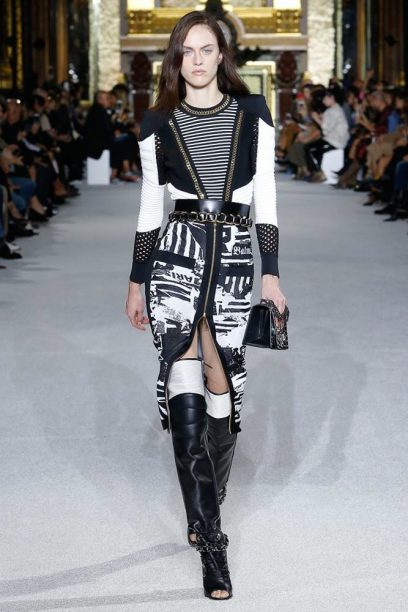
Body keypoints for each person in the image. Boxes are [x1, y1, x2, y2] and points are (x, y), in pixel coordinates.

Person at [125, 10, 286, 601]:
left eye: (206, 49)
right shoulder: (157, 122)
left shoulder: (253, 115)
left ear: (222, 55)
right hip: (176, 257)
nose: (196, 60)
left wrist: (271, 275)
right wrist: (137, 280)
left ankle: (206, 501)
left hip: (236, 259)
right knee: (183, 376)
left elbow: (265, 198)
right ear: (176, 59)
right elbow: (152, 207)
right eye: (186, 51)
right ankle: (212, 540)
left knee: (225, 383)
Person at [304, 87, 349, 182]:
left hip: (335, 140)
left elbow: (327, 129)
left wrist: (317, 119)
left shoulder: (336, 111)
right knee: (314, 150)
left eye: (325, 99)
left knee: (309, 149)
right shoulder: (332, 110)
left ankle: (318, 172)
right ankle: (317, 172)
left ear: (332, 98)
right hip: (331, 138)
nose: (323, 101)